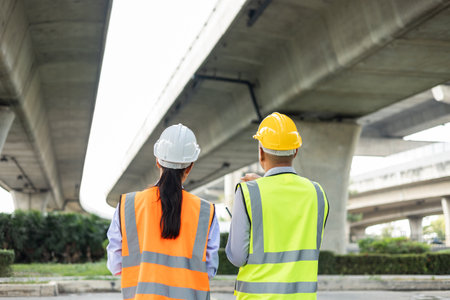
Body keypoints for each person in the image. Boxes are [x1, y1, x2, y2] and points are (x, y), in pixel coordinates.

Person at [107, 124, 220, 300]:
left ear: (158, 161)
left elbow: (115, 265)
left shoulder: (127, 205)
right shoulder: (206, 211)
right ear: (190, 167)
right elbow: (210, 269)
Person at [226, 112, 329, 299]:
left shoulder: (248, 193)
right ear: (296, 151)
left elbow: (237, 257)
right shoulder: (317, 193)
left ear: (260, 151)